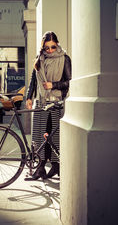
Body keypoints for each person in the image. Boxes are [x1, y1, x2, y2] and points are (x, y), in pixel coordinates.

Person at [26, 31, 71, 180]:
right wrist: (29, 97)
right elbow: (33, 80)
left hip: (56, 102)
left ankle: (56, 166)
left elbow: (69, 82)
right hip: (41, 102)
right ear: (43, 47)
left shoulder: (64, 59)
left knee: (54, 136)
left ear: (57, 44)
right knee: (40, 136)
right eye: (47, 48)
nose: (50, 50)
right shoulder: (39, 59)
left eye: (52, 47)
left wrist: (53, 85)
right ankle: (40, 168)